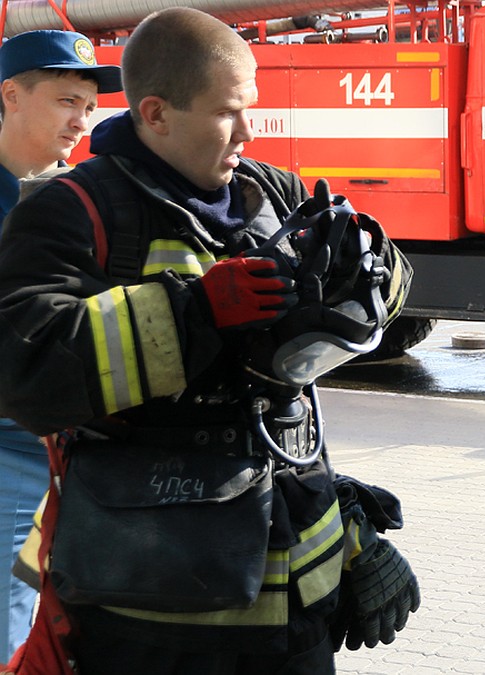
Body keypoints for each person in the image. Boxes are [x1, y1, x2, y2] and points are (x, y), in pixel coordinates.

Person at [0, 8, 418, 673]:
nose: (248, 132)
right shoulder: (71, 213)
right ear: (158, 114)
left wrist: (367, 269)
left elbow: (284, 409)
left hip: (295, 618)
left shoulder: (274, 194)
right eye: (228, 113)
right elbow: (28, 372)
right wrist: (192, 313)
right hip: (145, 619)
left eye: (250, 109)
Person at [0, 28, 121, 662]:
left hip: (55, 453)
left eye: (89, 106)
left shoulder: (81, 203)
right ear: (12, 95)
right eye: (65, 100)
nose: (81, 120)